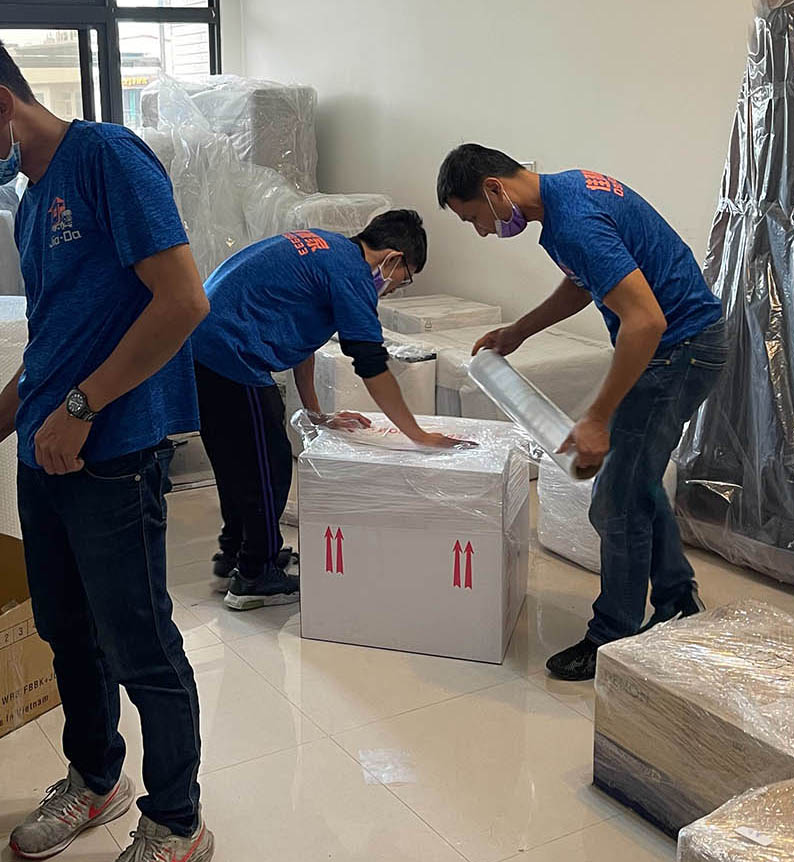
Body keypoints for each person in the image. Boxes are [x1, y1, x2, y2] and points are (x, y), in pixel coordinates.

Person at [0, 32, 213, 862]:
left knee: (140, 641)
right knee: (65, 630)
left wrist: (85, 408)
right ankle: (95, 778)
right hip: (51, 456)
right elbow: (47, 354)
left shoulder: (106, 158)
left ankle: (179, 823)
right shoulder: (32, 203)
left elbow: (184, 300)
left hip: (113, 453)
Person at [436, 144, 727, 681]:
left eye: (474, 217)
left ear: (495, 189)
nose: (481, 231)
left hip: (679, 349)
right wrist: (518, 332)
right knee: (637, 482)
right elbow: (583, 281)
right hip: (685, 343)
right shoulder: (568, 194)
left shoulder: (573, 221)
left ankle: (611, 635)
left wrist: (596, 417)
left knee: (614, 500)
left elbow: (645, 323)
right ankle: (677, 601)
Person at [192, 211, 464, 610]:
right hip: (228, 350)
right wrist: (417, 434)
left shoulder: (327, 249)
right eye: (402, 280)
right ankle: (255, 574)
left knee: (241, 462)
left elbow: (302, 339)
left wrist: (317, 413)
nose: (391, 290)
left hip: (202, 344)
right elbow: (370, 361)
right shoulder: (351, 273)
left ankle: (236, 554)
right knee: (269, 465)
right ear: (392, 258)